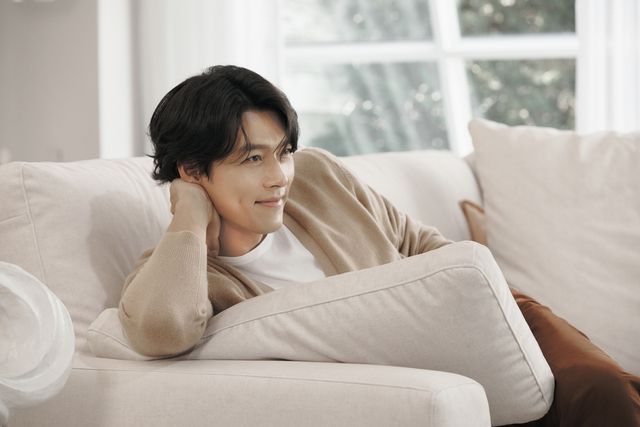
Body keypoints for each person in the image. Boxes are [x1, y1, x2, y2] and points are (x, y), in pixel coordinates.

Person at [119, 65, 640, 427]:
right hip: (431, 380)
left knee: (606, 390)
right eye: (253, 159)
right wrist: (189, 217)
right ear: (193, 171)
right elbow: (161, 329)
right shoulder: (187, 272)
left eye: (283, 152)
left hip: (487, 317)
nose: (280, 177)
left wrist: (479, 307)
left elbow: (418, 241)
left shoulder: (317, 175)